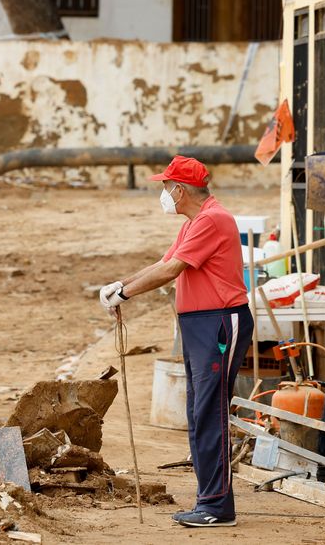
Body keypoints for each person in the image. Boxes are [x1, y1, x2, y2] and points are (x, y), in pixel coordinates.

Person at [98, 155, 253, 528]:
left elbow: (170, 270)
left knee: (209, 412)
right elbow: (162, 262)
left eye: (166, 186)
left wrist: (126, 294)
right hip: (201, 325)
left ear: (180, 189)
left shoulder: (212, 219)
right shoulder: (196, 221)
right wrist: (121, 286)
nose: (164, 193)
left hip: (218, 323)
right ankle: (209, 500)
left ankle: (216, 506)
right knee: (199, 412)